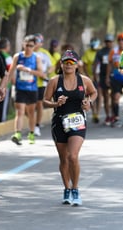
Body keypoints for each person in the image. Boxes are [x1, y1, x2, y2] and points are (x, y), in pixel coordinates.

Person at [43, 50, 97, 206]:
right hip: (59, 122)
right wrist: (56, 103)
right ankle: (66, 188)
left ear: (77, 65)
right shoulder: (54, 81)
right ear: (61, 64)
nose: (68, 65)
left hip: (77, 121)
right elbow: (45, 101)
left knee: (73, 156)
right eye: (66, 62)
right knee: (64, 159)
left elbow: (93, 93)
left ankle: (76, 189)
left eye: (72, 62)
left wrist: (89, 102)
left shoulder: (84, 81)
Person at [8, 34, 45, 146]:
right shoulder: (17, 56)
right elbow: (10, 72)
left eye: (31, 45)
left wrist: (28, 70)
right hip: (20, 88)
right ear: (23, 44)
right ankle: (17, 134)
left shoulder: (36, 58)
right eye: (27, 45)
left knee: (31, 113)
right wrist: (5, 86)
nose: (28, 47)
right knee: (19, 112)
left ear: (34, 47)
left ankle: (32, 133)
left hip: (32, 89)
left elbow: (41, 74)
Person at [105, 32, 123, 127]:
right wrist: (107, 77)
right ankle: (116, 118)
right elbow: (109, 64)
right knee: (116, 98)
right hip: (116, 78)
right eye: (119, 39)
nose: (121, 41)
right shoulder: (113, 51)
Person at [33, 33, 53, 137]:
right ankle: (33, 122)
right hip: (28, 83)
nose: (36, 43)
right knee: (28, 105)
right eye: (35, 41)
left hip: (41, 83)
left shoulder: (45, 53)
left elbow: (52, 66)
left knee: (39, 104)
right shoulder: (28, 52)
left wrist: (46, 73)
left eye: (38, 41)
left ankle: (37, 125)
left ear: (42, 43)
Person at [93, 34, 114, 126]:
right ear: (105, 42)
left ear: (112, 42)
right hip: (102, 76)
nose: (108, 43)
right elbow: (96, 64)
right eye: (107, 41)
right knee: (105, 97)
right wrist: (95, 75)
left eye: (110, 41)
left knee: (114, 97)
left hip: (113, 76)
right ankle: (108, 115)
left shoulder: (115, 52)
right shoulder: (100, 52)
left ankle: (114, 114)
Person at [81, 37, 100, 123]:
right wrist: (87, 76)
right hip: (91, 77)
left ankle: (98, 113)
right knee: (91, 94)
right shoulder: (87, 53)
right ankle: (94, 112)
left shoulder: (100, 52)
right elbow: (84, 65)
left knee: (100, 95)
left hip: (100, 76)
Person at [0, 38, 13, 122]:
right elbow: (10, 72)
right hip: (4, 85)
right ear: (7, 46)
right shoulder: (8, 57)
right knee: (3, 106)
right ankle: (1, 121)